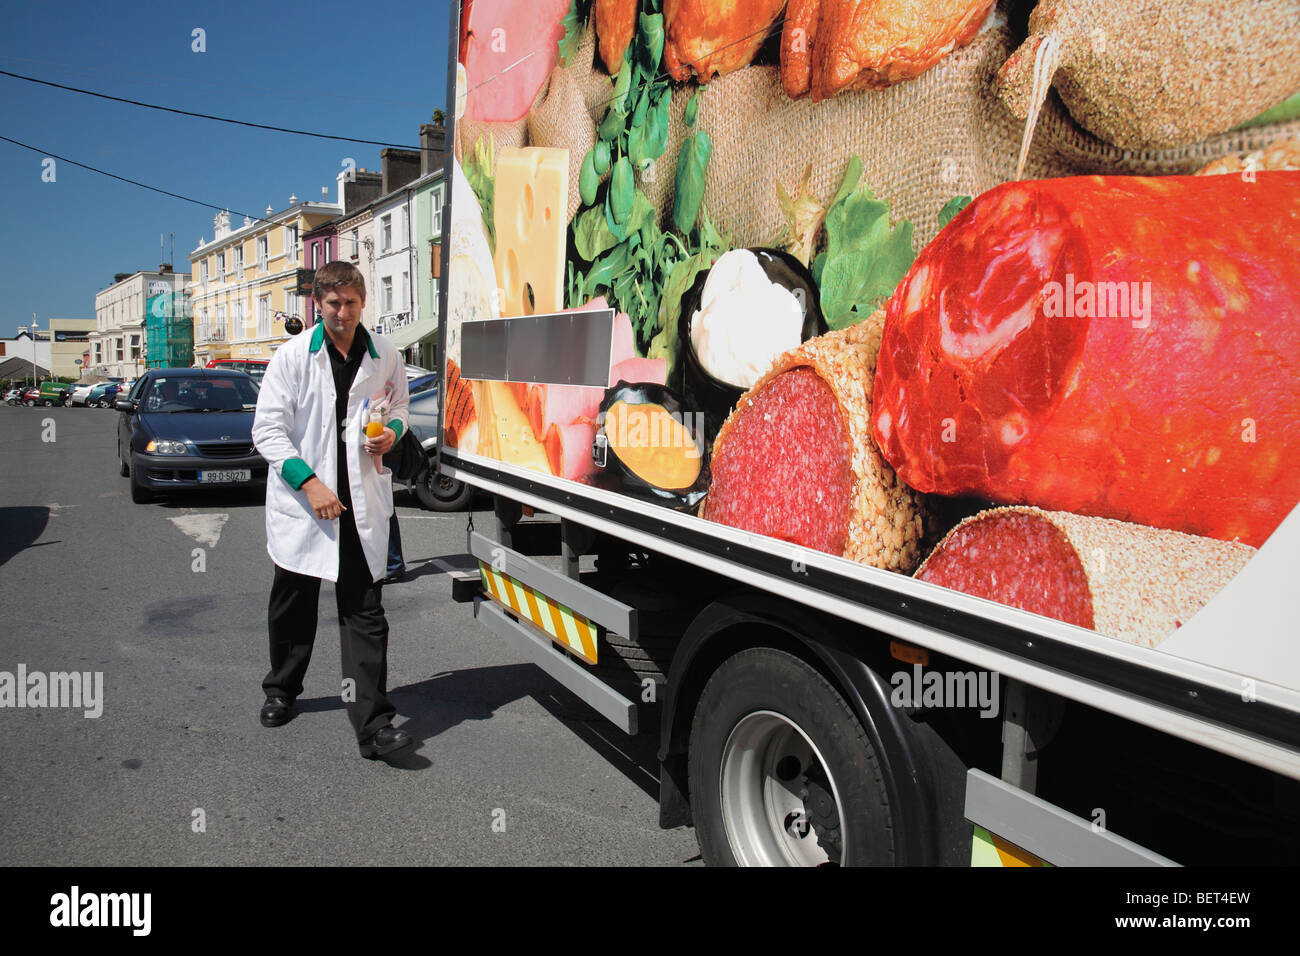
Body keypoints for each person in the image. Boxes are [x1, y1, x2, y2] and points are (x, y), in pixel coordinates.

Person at [251, 260, 413, 759]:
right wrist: (311, 484)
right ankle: (281, 689)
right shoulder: (294, 356)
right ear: (317, 306)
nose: (342, 312)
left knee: (365, 612)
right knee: (292, 605)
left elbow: (401, 409)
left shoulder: (385, 354)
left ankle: (375, 725)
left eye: (350, 302)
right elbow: (268, 431)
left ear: (363, 303)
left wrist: (394, 434)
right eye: (332, 303)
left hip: (361, 505)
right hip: (307, 507)